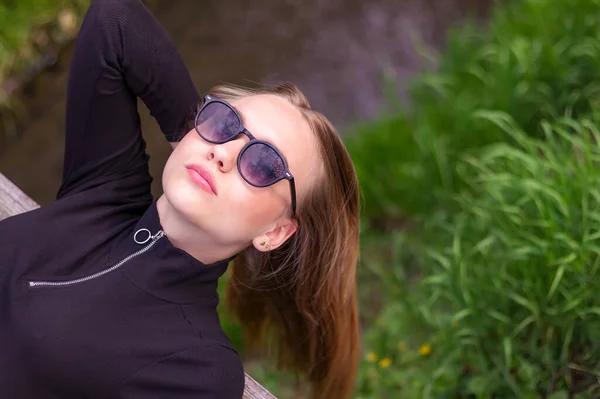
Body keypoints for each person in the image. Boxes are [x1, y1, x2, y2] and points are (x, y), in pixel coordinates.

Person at [0, 0, 360, 398]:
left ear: (274, 232)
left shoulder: (196, 367)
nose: (223, 153)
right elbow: (114, 19)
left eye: (263, 163)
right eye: (225, 122)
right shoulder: (105, 191)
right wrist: (195, 136)